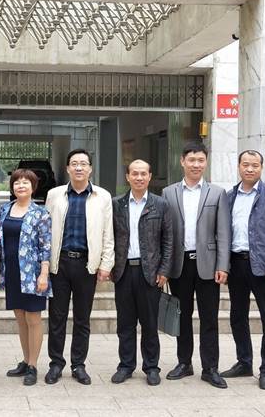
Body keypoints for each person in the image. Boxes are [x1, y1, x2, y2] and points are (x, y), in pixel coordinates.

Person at [162, 141, 231, 389]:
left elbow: (223, 233)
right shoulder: (169, 193)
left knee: (209, 318)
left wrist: (223, 265)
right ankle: (184, 363)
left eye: (201, 160)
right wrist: (164, 267)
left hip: (208, 265)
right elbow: (165, 233)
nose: (196, 164)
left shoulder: (217, 193)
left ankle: (210, 368)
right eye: (191, 160)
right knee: (181, 317)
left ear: (206, 162)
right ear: (182, 161)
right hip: (179, 265)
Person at [44, 148, 114, 386]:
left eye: (83, 163)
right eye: (74, 163)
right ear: (67, 168)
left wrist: (106, 264)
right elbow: (46, 231)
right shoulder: (54, 195)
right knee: (57, 317)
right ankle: (56, 363)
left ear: (90, 168)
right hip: (60, 263)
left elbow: (108, 234)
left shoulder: (102, 197)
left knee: (82, 318)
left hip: (86, 264)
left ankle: (78, 364)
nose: (79, 167)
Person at [220, 150, 265, 390]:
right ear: (239, 166)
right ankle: (244, 362)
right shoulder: (229, 196)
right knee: (237, 317)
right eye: (246, 164)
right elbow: (223, 233)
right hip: (236, 264)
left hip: (262, 266)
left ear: (261, 167)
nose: (250, 169)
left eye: (255, 165)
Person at [110, 160, 173, 386]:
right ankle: (126, 366)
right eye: (134, 174)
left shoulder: (160, 204)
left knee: (149, 324)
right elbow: (109, 236)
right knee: (125, 324)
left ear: (149, 176)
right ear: (127, 177)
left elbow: (168, 240)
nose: (139, 177)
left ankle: (151, 367)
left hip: (151, 272)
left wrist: (164, 269)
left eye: (143, 174)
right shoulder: (116, 204)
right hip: (123, 271)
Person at [0, 169, 52, 386]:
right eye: (17, 182)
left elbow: (45, 246)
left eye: (25, 182)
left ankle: (33, 365)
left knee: (33, 319)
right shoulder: (4, 209)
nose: (21, 186)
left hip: (32, 273)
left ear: (33, 187)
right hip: (11, 271)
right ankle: (25, 360)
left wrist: (44, 274)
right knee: (20, 318)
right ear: (12, 187)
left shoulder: (41, 213)